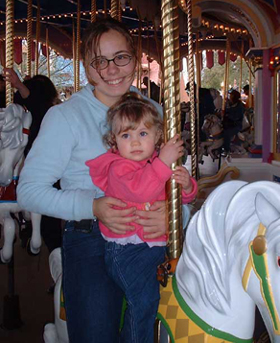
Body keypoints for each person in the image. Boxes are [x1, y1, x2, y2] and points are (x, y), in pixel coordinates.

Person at [16, 18, 175, 343]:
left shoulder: (154, 110)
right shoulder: (65, 117)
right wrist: (92, 206)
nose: (112, 69)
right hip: (91, 238)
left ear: (134, 58)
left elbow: (173, 178)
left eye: (121, 57)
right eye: (99, 61)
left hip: (149, 237)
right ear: (87, 69)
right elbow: (29, 191)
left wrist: (171, 213)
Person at [86, 93, 197, 343]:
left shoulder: (158, 164)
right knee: (143, 303)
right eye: (126, 135)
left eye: (143, 134)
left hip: (156, 248)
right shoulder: (118, 168)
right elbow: (140, 189)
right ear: (114, 141)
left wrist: (187, 185)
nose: (135, 142)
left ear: (157, 136)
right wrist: (164, 163)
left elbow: (184, 199)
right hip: (128, 252)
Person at [2, 68, 63, 254]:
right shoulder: (37, 111)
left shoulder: (48, 112)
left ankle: (56, 254)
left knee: (48, 220)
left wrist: (20, 86)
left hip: (46, 165)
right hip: (26, 158)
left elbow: (34, 103)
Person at [223, 89, 245, 154]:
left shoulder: (239, 106)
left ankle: (227, 149)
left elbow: (238, 116)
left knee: (227, 133)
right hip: (228, 123)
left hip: (236, 124)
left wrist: (228, 115)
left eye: (231, 95)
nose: (230, 97)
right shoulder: (230, 104)